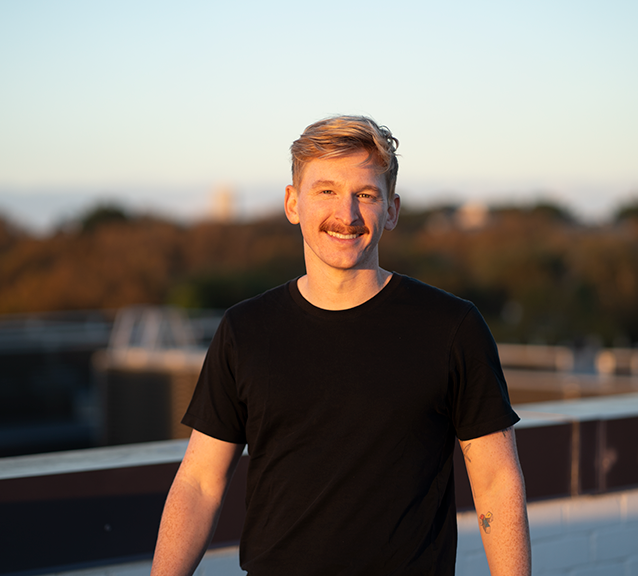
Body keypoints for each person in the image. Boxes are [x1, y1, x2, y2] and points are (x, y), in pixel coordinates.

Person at [151, 115, 531, 575]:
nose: (346, 215)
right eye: (326, 190)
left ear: (391, 210)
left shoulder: (452, 327)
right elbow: (199, 484)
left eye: (365, 195)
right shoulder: (245, 329)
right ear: (293, 203)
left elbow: (496, 482)